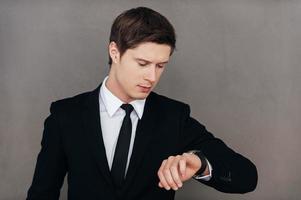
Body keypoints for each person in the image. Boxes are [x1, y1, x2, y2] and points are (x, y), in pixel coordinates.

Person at [27, 6, 257, 200]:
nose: (152, 77)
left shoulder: (173, 117)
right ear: (115, 52)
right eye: (143, 63)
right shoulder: (65, 116)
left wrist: (200, 163)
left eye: (160, 66)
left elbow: (246, 177)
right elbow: (41, 193)